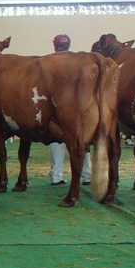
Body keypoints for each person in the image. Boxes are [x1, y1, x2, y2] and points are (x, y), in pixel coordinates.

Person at [47, 34, 91, 186]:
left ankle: (56, 176)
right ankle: (86, 175)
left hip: (55, 108)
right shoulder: (78, 61)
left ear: (55, 45)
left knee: (56, 141)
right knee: (82, 141)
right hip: (78, 108)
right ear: (69, 45)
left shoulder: (48, 62)